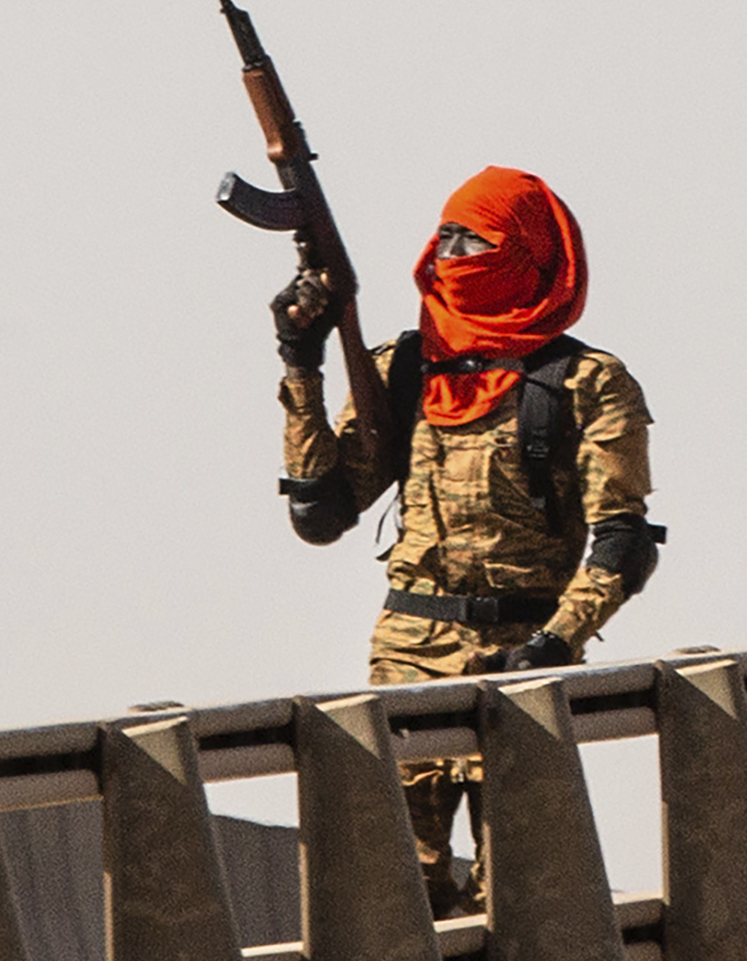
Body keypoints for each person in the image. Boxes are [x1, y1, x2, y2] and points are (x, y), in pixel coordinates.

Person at [273, 166, 662, 915]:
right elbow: (320, 512)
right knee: (389, 908)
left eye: (473, 240)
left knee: (520, 909)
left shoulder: (586, 383)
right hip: (406, 664)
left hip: (518, 665)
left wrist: (554, 644)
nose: (451, 254)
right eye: (443, 236)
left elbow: (623, 542)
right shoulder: (408, 368)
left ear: (526, 255)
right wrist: (302, 361)